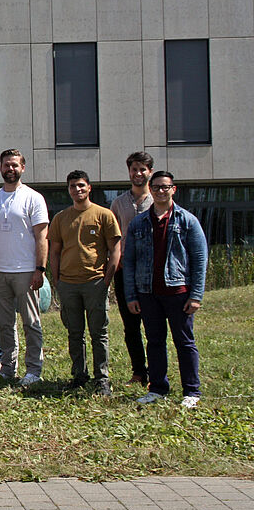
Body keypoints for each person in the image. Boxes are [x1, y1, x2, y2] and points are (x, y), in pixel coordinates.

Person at [123, 171, 207, 409]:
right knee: (154, 341)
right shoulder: (139, 223)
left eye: (165, 187)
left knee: (184, 342)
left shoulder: (187, 220)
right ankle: (158, 388)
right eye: (157, 187)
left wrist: (196, 295)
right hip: (148, 292)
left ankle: (191, 391)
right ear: (150, 190)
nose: (161, 191)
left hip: (178, 292)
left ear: (173, 189)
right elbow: (129, 261)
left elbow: (199, 259)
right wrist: (131, 295)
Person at [50, 171, 122, 396]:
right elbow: (54, 251)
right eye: (72, 186)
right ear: (68, 190)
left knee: (98, 333)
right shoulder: (61, 218)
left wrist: (106, 279)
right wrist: (57, 281)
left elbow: (115, 250)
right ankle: (79, 375)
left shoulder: (104, 215)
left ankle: (102, 379)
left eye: (81, 185)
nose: (77, 189)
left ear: (89, 188)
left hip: (95, 283)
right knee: (74, 333)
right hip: (68, 284)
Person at [0, 149, 49, 387]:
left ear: (22, 168)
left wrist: (40, 269)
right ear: (0, 169)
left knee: (31, 323)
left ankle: (33, 369)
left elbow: (42, 237)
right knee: (4, 324)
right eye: (6, 165)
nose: (10, 169)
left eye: (14, 165)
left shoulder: (33, 198)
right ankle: (8, 367)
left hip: (25, 270)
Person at [110, 151, 155, 387]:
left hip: (151, 272)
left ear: (150, 172)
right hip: (125, 272)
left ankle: (156, 373)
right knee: (131, 326)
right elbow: (113, 238)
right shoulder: (118, 203)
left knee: (153, 325)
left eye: (142, 169)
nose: (138, 173)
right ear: (129, 172)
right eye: (134, 169)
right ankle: (139, 372)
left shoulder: (157, 200)